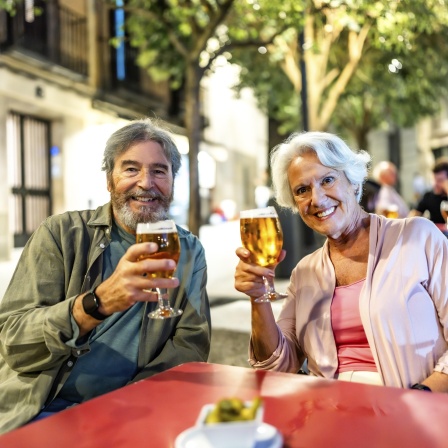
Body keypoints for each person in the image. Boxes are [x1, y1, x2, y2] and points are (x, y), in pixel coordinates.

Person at [0, 118, 211, 434]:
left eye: (158, 170)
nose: (145, 182)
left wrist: (126, 403)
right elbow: (13, 342)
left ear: (172, 181)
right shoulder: (60, 234)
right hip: (43, 408)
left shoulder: (189, 251)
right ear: (109, 181)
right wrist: (93, 305)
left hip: (134, 411)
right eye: (130, 169)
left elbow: (190, 346)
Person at [234, 131, 448, 391]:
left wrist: (420, 396)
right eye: (302, 190)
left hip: (412, 409)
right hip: (328, 412)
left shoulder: (417, 237)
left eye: (327, 180)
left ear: (354, 183)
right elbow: (276, 367)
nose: (317, 199)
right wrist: (258, 298)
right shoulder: (305, 272)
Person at [409, 157, 448, 233]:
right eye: (433, 179)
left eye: (440, 180)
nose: (435, 184)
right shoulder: (429, 195)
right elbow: (413, 215)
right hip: (434, 236)